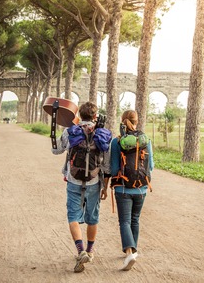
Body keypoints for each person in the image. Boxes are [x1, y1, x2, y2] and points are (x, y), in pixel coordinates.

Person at [51, 101, 111, 273]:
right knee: (93, 217)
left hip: (73, 181)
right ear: (95, 116)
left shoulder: (70, 132)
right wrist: (105, 187)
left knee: (73, 217)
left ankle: (80, 250)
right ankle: (90, 251)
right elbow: (106, 166)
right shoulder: (103, 134)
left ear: (79, 115)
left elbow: (56, 151)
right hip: (94, 182)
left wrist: (54, 134)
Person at [107, 110, 154, 271]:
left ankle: (129, 252)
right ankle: (133, 249)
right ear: (137, 121)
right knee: (135, 219)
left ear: (122, 122)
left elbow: (113, 169)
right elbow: (151, 166)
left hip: (123, 188)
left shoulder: (117, 141)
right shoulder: (146, 140)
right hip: (141, 188)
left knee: (125, 221)